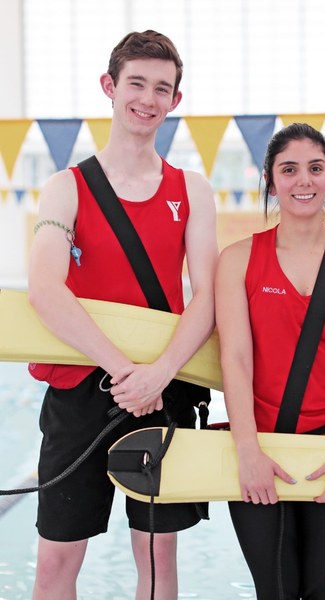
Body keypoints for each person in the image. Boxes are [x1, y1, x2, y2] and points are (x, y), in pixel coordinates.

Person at [28, 30, 218, 600]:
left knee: (157, 557)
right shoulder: (67, 188)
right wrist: (124, 372)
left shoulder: (193, 190)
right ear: (110, 87)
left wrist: (158, 375)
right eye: (136, 82)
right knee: (57, 560)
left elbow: (207, 294)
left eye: (163, 88)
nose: (148, 98)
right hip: (83, 388)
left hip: (165, 386)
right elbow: (44, 287)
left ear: (175, 101)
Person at [215, 123, 325, 599]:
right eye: (288, 170)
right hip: (260, 452)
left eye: (315, 168)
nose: (303, 180)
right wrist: (247, 453)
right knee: (274, 591)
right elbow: (235, 357)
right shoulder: (238, 259)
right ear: (271, 182)